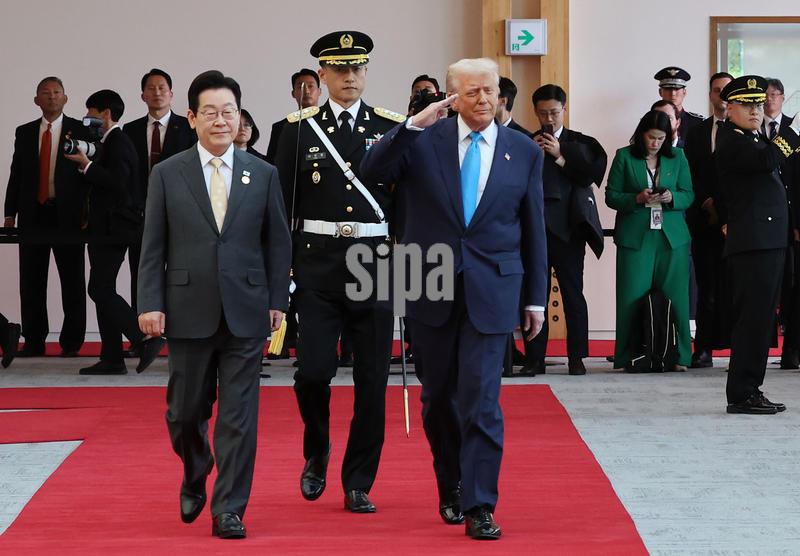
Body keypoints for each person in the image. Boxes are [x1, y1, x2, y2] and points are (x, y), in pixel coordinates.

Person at [361, 57, 547, 540]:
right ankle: (452, 484)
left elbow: (533, 229)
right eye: (472, 92)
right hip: (428, 280)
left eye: (490, 91)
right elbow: (371, 171)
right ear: (452, 96)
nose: (484, 100)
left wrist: (535, 300)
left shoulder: (522, 151)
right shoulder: (424, 142)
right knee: (438, 397)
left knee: (482, 398)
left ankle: (481, 503)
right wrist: (409, 126)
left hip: (494, 287)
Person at [137, 70, 291, 537]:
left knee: (239, 415)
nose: (221, 120)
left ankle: (229, 508)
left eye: (229, 112)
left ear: (240, 116)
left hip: (247, 309)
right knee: (184, 413)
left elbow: (277, 243)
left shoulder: (263, 174)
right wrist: (149, 302)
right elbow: (153, 245)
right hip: (186, 308)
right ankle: (195, 465)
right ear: (192, 117)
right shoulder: (167, 172)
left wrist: (277, 300)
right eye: (211, 112)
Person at [274, 30, 404, 514]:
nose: (350, 77)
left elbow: (404, 208)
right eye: (340, 69)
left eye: (358, 68)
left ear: (366, 73)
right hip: (317, 264)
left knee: (372, 379)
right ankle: (317, 449)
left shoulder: (392, 127)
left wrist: (408, 273)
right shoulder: (297, 130)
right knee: (313, 372)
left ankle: (359, 480)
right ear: (321, 75)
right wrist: (281, 272)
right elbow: (281, 209)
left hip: (374, 264)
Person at [64, 90, 165, 376]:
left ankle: (143, 337)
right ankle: (112, 357)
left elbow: (119, 184)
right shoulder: (109, 141)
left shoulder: (119, 141)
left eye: (91, 113)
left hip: (114, 228)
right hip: (104, 228)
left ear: (106, 114)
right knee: (101, 288)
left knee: (99, 287)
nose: (88, 119)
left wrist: (86, 165)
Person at [716, 75, 800, 414]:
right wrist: (792, 130)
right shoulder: (732, 140)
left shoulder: (752, 136)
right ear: (730, 108)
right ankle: (742, 392)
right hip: (754, 243)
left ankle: (751, 388)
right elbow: (767, 161)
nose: (755, 110)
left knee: (763, 319)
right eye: (747, 105)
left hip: (767, 240)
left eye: (758, 104)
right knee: (753, 319)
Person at [522, 84, 607, 376]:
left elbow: (592, 175)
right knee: (534, 296)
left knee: (573, 294)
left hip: (569, 231)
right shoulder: (524, 143)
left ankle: (576, 357)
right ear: (535, 111)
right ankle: (534, 358)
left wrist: (560, 155)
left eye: (554, 112)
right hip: (534, 231)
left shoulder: (581, 143)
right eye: (543, 112)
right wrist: (531, 156)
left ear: (564, 109)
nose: (549, 118)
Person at [3, 76, 87, 357]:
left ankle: (72, 341)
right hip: (32, 214)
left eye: (57, 92)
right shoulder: (24, 132)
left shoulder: (79, 130)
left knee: (72, 280)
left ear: (65, 98)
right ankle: (35, 340)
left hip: (69, 216)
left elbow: (88, 176)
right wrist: (9, 212)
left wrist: (88, 213)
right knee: (31, 280)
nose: (51, 97)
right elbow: (16, 174)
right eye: (45, 93)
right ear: (36, 100)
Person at [605, 110, 694, 372]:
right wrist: (637, 198)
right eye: (651, 137)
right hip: (635, 236)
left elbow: (689, 194)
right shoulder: (624, 156)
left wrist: (672, 198)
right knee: (630, 298)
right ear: (641, 134)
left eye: (660, 138)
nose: (655, 143)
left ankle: (681, 357)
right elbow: (611, 196)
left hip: (671, 237)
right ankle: (625, 356)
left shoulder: (678, 156)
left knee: (678, 298)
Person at [122, 69, 196, 319]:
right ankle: (142, 331)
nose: (157, 93)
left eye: (162, 88)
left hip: (180, 213)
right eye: (151, 88)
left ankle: (179, 326)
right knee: (142, 272)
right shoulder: (129, 130)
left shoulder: (188, 127)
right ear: (142, 95)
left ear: (172, 94)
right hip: (140, 214)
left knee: (180, 272)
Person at [684, 71, 733, 369]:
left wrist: (725, 208)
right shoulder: (698, 132)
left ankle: (737, 348)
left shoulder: (742, 130)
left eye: (726, 91)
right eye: (717, 91)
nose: (721, 96)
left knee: (734, 288)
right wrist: (706, 202)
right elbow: (690, 173)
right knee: (706, 288)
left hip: (735, 222)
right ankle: (703, 349)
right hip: (704, 220)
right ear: (711, 95)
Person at [265, 68, 322, 164]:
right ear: (293, 93)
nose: (307, 91)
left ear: (319, 91)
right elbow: (272, 164)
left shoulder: (332, 121)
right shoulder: (281, 127)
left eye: (311, 86)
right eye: (300, 87)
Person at [654, 66, 703, 146]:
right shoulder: (650, 120)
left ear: (684, 92)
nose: (673, 94)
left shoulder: (697, 123)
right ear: (660, 92)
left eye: (677, 89)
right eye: (668, 89)